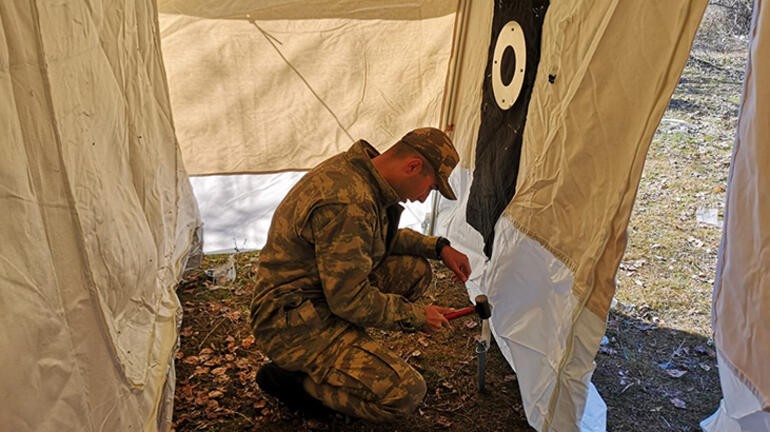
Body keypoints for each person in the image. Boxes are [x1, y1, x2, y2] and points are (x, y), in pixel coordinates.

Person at [250, 127, 472, 421]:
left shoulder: (362, 174)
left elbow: (379, 236)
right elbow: (350, 300)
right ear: (413, 166)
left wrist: (439, 247)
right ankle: (292, 379)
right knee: (405, 394)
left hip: (317, 295)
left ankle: (344, 348)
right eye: (430, 188)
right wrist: (418, 316)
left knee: (415, 271)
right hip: (290, 322)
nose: (422, 199)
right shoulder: (348, 202)